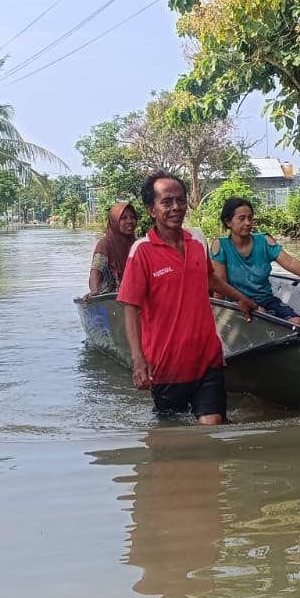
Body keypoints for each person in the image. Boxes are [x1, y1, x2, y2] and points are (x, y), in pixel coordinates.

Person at [117, 171, 254, 425]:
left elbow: (209, 278)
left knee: (212, 427)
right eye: (166, 202)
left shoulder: (197, 240)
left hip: (206, 358)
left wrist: (240, 298)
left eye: (180, 200)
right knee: (170, 440)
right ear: (151, 210)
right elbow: (131, 308)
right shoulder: (142, 251)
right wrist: (138, 360)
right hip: (167, 365)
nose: (176, 208)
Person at [209, 196, 300, 323]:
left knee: (298, 322)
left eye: (250, 218)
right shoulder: (220, 246)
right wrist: (217, 317)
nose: (248, 223)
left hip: (267, 300)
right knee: (260, 314)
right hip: (237, 303)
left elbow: (290, 262)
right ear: (228, 222)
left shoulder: (263, 240)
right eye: (241, 219)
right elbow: (220, 286)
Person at [88, 200, 138, 296]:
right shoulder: (104, 245)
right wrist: (94, 291)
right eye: (123, 218)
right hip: (110, 296)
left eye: (133, 217)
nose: (129, 221)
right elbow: (96, 272)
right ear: (114, 221)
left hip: (133, 295)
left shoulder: (139, 245)